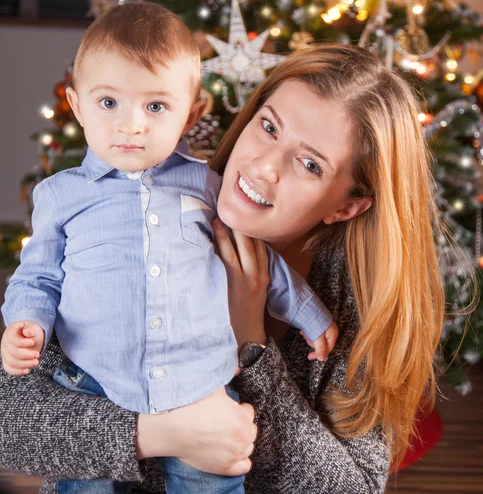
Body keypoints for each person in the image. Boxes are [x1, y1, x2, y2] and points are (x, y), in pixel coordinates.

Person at [0, 44, 445, 494]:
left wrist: (252, 346)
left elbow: (352, 487)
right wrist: (160, 433)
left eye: (310, 164)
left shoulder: (355, 298)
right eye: (269, 127)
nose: (264, 167)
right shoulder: (130, 206)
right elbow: (9, 420)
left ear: (348, 205)